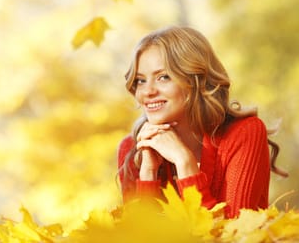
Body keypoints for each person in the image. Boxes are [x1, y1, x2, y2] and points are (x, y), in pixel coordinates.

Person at [117, 26, 287, 218]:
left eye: (163, 77)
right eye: (140, 81)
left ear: (196, 80)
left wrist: (185, 163)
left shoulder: (243, 134)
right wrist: (148, 174)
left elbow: (234, 234)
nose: (148, 92)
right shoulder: (132, 150)